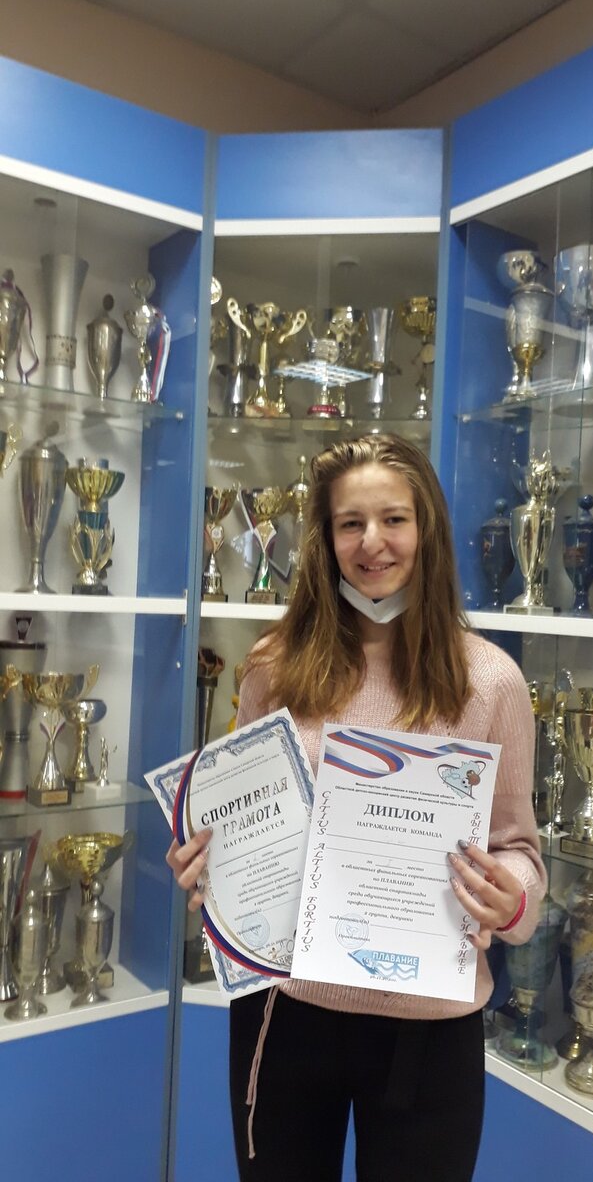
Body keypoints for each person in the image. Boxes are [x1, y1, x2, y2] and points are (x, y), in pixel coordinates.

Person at [167, 433, 546, 1182]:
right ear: (326, 539)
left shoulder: (492, 682)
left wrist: (512, 901)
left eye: (393, 519)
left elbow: (520, 852)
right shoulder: (274, 667)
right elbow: (240, 817)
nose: (372, 542)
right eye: (350, 523)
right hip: (286, 1014)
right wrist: (209, 859)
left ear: (426, 529)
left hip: (428, 1031)